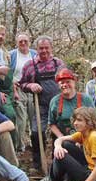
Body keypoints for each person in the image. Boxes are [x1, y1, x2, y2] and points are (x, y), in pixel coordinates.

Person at [35, 107, 96, 181]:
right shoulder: (84, 133)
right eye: (75, 120)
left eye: (79, 120)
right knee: (65, 145)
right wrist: (58, 147)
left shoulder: (94, 138)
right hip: (90, 168)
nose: (75, 123)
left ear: (89, 123)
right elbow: (60, 139)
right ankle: (57, 178)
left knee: (62, 157)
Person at [18, 35, 64, 170]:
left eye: (46, 48)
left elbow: (67, 81)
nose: (44, 51)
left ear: (51, 48)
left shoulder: (58, 64)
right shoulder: (30, 65)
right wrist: (30, 86)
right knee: (36, 133)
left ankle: (58, 163)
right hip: (41, 106)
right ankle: (38, 163)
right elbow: (21, 84)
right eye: (41, 48)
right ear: (36, 49)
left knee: (59, 133)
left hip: (58, 105)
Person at [10, 32, 37, 152]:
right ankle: (19, 145)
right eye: (20, 41)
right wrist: (13, 87)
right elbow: (8, 73)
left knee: (33, 117)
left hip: (32, 89)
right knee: (21, 118)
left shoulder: (34, 54)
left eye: (25, 40)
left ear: (29, 41)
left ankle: (33, 141)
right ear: (17, 43)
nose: (23, 43)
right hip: (18, 89)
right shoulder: (12, 55)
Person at [0, 25, 17, 147]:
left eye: (3, 34)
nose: (0, 37)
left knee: (14, 115)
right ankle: (4, 146)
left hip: (9, 90)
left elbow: (10, 75)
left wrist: (15, 91)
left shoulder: (6, 52)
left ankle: (14, 147)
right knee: (9, 115)